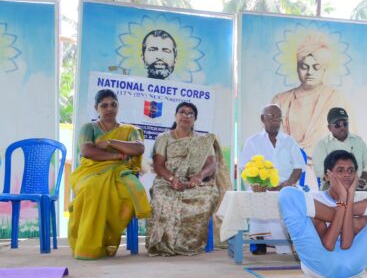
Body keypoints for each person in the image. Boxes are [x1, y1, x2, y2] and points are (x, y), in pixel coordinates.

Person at [279, 151, 367, 278]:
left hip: (354, 265)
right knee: (287, 194)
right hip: (320, 265)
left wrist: (345, 203)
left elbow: (346, 244)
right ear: (327, 176)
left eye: (351, 171)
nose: (346, 175)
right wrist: (343, 202)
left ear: (356, 175)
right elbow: (328, 245)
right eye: (340, 170)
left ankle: (338, 211)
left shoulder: (363, 204)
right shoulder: (315, 199)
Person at [68, 89, 151, 260]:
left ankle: (108, 238)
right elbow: (88, 151)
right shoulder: (88, 128)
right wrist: (117, 155)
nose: (109, 108)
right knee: (91, 189)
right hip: (89, 172)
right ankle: (88, 245)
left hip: (120, 172)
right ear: (96, 108)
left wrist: (110, 142)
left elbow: (138, 148)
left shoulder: (130, 130)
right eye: (104, 105)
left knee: (130, 192)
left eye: (113, 104)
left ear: (118, 106)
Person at [144, 102, 230, 256]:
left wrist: (199, 176)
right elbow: (158, 165)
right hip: (167, 182)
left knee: (207, 197)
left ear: (195, 119)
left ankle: (190, 244)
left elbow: (212, 164)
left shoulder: (203, 140)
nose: (186, 115)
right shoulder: (164, 138)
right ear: (176, 116)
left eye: (190, 113)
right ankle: (164, 244)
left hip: (195, 184)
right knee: (162, 200)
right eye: (182, 112)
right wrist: (172, 179)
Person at [270, 32, 351, 157]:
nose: (309, 72)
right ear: (297, 68)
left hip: (329, 168)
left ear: (325, 69)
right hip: (289, 167)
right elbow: (271, 141)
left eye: (316, 67)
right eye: (304, 66)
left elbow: (349, 140)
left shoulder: (336, 98)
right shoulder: (281, 100)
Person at [239, 104, 304, 255]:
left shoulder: (289, 141)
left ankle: (289, 242)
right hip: (261, 187)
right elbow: (244, 167)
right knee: (258, 199)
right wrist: (258, 184)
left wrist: (287, 184)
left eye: (278, 117)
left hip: (286, 186)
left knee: (292, 198)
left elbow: (298, 167)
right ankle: (259, 241)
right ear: (263, 118)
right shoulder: (253, 141)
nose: (275, 120)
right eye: (271, 116)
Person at [312, 107, 367, 193]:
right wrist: (342, 182)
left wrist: (362, 179)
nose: (342, 127)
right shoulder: (322, 145)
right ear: (329, 127)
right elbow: (320, 171)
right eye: (337, 125)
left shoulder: (358, 141)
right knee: (341, 202)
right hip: (332, 185)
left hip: (359, 184)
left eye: (345, 123)